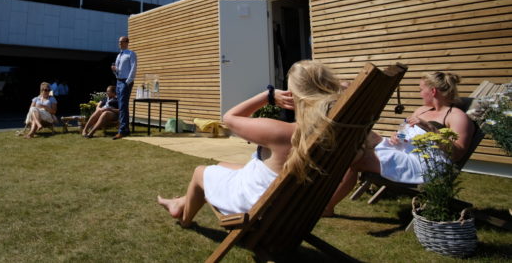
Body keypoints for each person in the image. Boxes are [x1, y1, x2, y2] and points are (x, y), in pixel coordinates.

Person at [158, 60, 342, 227]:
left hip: (258, 208)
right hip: (292, 211)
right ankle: (180, 202)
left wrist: (268, 96)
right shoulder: (336, 133)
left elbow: (229, 118)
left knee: (200, 172)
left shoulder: (282, 132)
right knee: (223, 165)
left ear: (293, 95)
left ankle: (185, 221)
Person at [324, 71, 474, 216]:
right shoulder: (422, 110)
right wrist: (397, 136)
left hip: (422, 164)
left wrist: (430, 129)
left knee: (355, 158)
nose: (420, 93)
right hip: (401, 148)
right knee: (360, 135)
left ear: (433, 91)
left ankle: (327, 205)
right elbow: (404, 130)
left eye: (421, 89)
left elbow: (457, 153)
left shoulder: (457, 117)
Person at [111, 35, 136, 140]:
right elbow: (118, 70)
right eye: (119, 42)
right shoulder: (118, 56)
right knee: (122, 106)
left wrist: (128, 81)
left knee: (123, 106)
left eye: (121, 42)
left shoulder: (131, 54)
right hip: (119, 81)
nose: (119, 43)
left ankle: (122, 131)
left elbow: (133, 67)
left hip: (125, 82)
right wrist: (114, 70)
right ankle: (125, 129)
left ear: (127, 42)